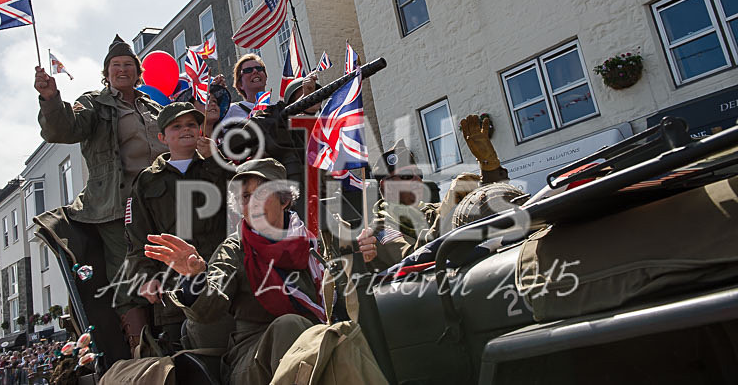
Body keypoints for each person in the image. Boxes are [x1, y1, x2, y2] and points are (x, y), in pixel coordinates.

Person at [145, 158, 376, 384]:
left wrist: (363, 257)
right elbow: (209, 308)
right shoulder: (235, 249)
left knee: (347, 335)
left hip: (318, 340)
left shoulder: (313, 242)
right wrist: (195, 277)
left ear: (284, 200)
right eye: (245, 197)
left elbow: (347, 293)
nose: (253, 203)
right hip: (251, 359)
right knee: (289, 326)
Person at [34, 34, 167, 350]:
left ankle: (175, 341)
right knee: (128, 276)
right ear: (106, 73)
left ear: (138, 72)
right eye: (115, 66)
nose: (122, 70)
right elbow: (63, 130)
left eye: (128, 65)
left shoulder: (155, 105)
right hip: (117, 205)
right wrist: (51, 99)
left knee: (169, 269)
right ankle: (140, 352)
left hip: (161, 203)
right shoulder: (95, 103)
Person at [123, 101, 231, 352]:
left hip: (221, 279)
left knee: (229, 353)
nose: (186, 130)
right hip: (173, 290)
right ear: (162, 137)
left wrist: (216, 160)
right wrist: (146, 278)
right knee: (186, 360)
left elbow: (242, 200)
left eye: (192, 125)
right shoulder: (147, 181)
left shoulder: (215, 165)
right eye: (176, 126)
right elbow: (137, 239)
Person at [369, 115, 509, 271]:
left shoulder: (431, 211)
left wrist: (489, 167)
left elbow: (487, 208)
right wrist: (448, 209)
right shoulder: (380, 228)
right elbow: (412, 259)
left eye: (419, 175)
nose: (418, 181)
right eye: (408, 176)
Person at [223, 54, 267, 123]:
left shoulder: (279, 108)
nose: (255, 71)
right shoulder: (232, 110)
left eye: (259, 68)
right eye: (248, 70)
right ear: (240, 84)